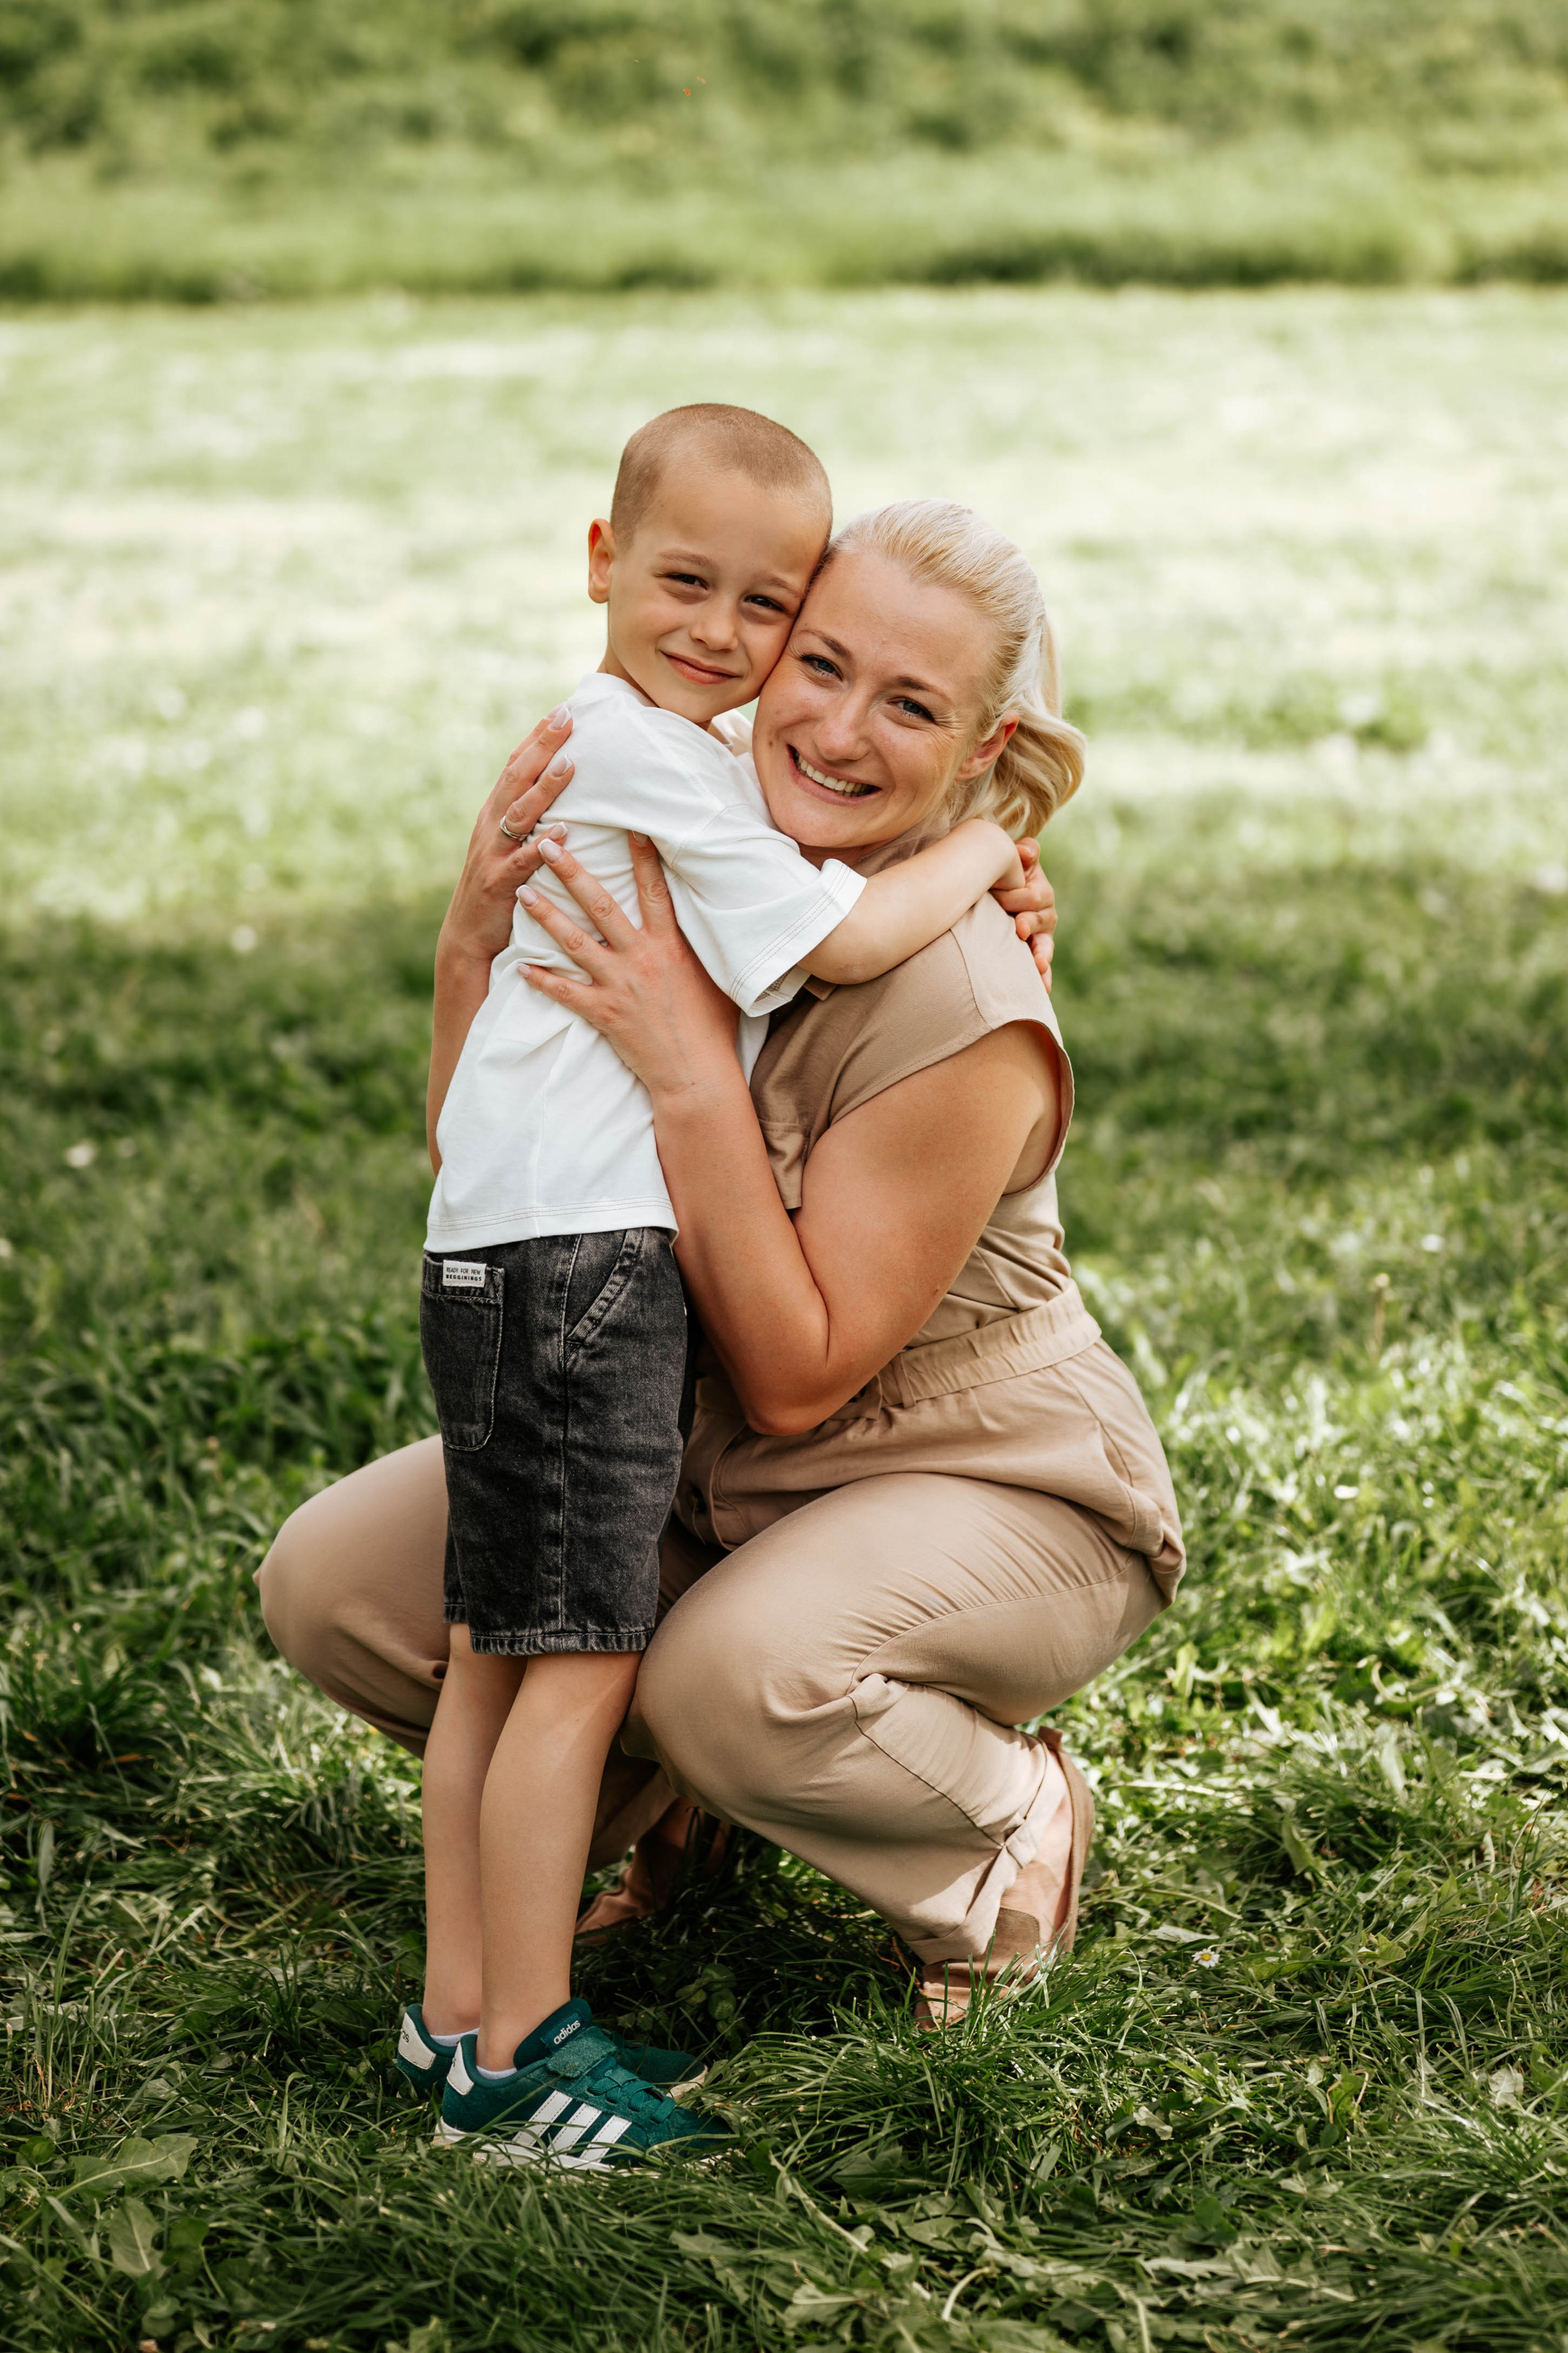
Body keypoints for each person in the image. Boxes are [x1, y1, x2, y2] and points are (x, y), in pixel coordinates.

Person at [259, 497, 1183, 2096]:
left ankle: (1003, 1826)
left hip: (975, 1475)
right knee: (340, 1582)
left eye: (911, 705)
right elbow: (487, 1150)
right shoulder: (696, 854)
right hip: (699, 1460)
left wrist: (692, 1072)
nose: (838, 727)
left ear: (985, 747)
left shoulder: (958, 991)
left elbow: (802, 1370)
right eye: (819, 664)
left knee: (735, 1681)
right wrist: (474, 934)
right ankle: (685, 1799)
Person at [410, 407, 1049, 2167]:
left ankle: (456, 2012)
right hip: (589, 1274)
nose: (730, 640)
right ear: (602, 564)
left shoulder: (607, 749)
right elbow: (847, 936)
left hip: (498, 1258)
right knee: (574, 1672)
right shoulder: (669, 775)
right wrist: (984, 851)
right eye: (808, 652)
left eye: (767, 607)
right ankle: (522, 2048)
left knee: (493, 1663)